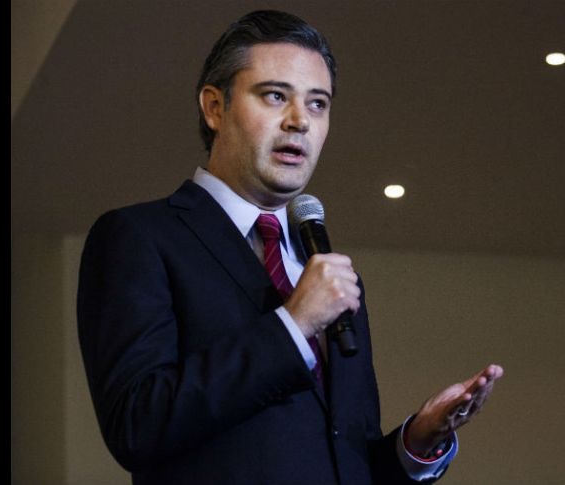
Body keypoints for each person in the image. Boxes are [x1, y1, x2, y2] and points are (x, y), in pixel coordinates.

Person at [77, 9, 504, 485]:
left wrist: (417, 443)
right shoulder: (140, 236)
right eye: (275, 96)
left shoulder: (331, 276)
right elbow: (136, 424)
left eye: (318, 103)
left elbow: (343, 459)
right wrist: (294, 325)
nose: (300, 121)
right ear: (215, 108)